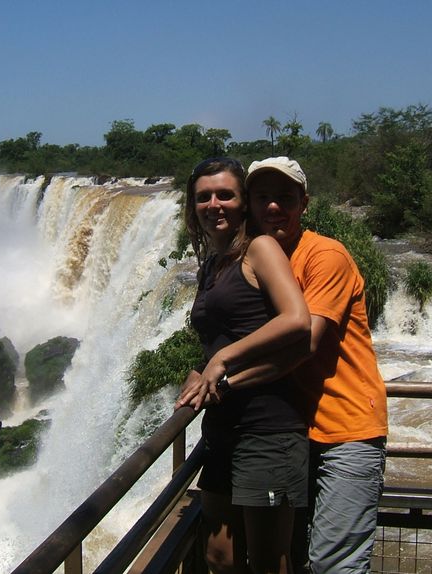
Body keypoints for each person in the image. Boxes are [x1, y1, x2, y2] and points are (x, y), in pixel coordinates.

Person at [236, 156, 389, 574]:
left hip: (347, 429)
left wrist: (225, 379)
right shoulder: (252, 259)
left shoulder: (325, 256)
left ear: (304, 203)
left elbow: (305, 343)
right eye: (263, 197)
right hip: (295, 432)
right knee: (294, 557)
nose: (273, 207)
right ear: (248, 203)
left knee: (333, 566)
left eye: (285, 198)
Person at [174, 157, 312, 574]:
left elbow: (296, 319)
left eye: (225, 195)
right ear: (192, 206)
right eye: (203, 197)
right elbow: (222, 331)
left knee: (269, 561)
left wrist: (223, 358)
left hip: (267, 428)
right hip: (221, 427)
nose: (214, 204)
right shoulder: (213, 264)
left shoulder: (260, 248)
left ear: (244, 203)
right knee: (219, 556)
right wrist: (201, 369)